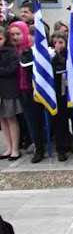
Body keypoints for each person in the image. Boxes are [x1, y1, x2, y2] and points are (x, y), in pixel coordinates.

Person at [17, 24, 46, 163]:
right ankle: (39, 149)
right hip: (30, 92)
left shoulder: (49, 51)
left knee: (50, 122)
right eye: (31, 34)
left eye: (36, 34)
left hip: (47, 91)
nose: (32, 37)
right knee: (34, 123)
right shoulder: (27, 51)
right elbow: (26, 66)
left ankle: (60, 147)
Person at [0, 25, 23, 160]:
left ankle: (15, 148)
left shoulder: (11, 52)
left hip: (8, 89)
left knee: (11, 118)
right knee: (2, 119)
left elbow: (11, 70)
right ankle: (8, 147)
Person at [51, 32, 73, 162]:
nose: (57, 45)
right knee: (58, 122)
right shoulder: (50, 55)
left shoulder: (69, 55)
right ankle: (61, 149)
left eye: (60, 42)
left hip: (68, 92)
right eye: (55, 43)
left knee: (71, 119)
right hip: (56, 93)